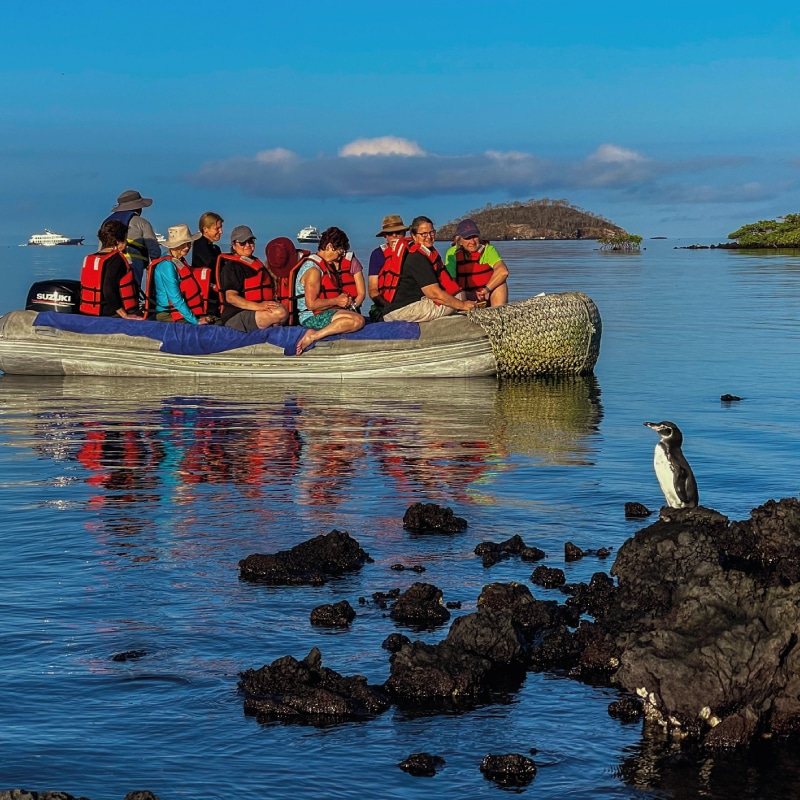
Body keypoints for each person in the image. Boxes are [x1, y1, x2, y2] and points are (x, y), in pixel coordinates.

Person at [380, 216, 476, 322]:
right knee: (460, 297)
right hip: (402, 311)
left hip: (400, 308)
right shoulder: (416, 257)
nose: (429, 237)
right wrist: (463, 305)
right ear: (414, 236)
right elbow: (434, 293)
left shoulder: (420, 253)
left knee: (459, 295)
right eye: (423, 234)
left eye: (431, 232)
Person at [295, 226, 365, 355]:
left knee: (358, 318)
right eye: (339, 253)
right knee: (357, 321)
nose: (339, 258)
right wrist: (337, 301)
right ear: (329, 246)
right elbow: (311, 304)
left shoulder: (325, 266)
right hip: (311, 317)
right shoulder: (313, 270)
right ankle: (313, 336)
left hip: (324, 312)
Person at [217, 225, 288, 332]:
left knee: (284, 309)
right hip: (236, 315)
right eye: (242, 243)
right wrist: (259, 306)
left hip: (254, 311)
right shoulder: (232, 267)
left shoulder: (255, 263)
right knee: (280, 313)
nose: (247, 245)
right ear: (234, 245)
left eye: (250, 241)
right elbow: (231, 297)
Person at [146, 224, 213, 324]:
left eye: (188, 243)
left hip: (181, 311)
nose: (187, 246)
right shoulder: (167, 265)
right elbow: (175, 298)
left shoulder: (179, 261)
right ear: (174, 245)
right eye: (183, 243)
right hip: (168, 313)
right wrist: (195, 321)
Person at [79, 219, 143, 319]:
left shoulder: (91, 258)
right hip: (110, 313)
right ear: (118, 242)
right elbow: (108, 290)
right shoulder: (116, 260)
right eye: (125, 239)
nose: (126, 242)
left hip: (90, 312)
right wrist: (124, 315)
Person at [444, 218, 509, 306]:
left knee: (501, 284)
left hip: (487, 294)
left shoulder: (488, 250)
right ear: (460, 241)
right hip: (466, 297)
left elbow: (503, 272)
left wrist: (485, 290)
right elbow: (451, 282)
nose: (472, 242)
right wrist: (471, 295)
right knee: (454, 293)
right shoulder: (452, 253)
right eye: (467, 238)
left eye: (474, 236)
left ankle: (496, 313)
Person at [103, 190, 161, 287]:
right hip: (133, 264)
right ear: (137, 207)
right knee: (131, 292)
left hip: (108, 264)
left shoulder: (106, 223)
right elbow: (155, 252)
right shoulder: (142, 222)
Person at [368, 214, 408, 319]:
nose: (394, 235)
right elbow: (373, 289)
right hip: (386, 305)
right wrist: (387, 306)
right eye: (390, 233)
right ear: (385, 236)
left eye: (398, 232)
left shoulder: (413, 252)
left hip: (410, 304)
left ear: (404, 233)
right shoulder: (377, 255)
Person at [192, 211, 224, 318]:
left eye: (221, 228)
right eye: (217, 229)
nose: (221, 231)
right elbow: (211, 262)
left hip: (213, 294)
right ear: (205, 229)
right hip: (206, 295)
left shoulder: (215, 248)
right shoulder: (200, 243)